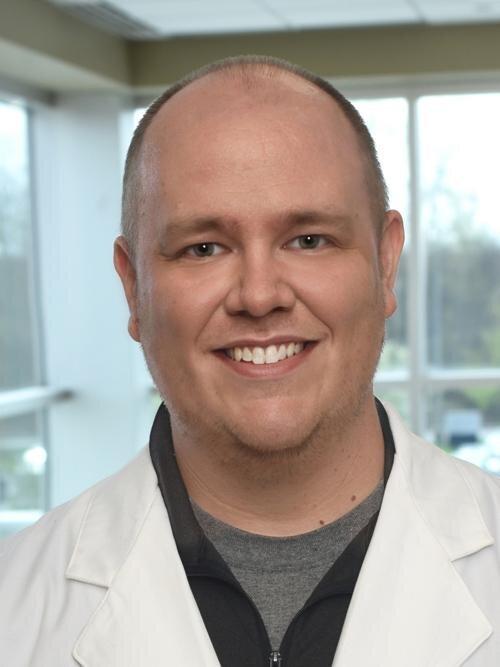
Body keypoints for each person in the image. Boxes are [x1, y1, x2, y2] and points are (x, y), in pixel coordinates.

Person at [1, 55, 500, 667]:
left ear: (385, 263)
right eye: (204, 248)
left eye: (308, 240)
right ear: (133, 289)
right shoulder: (13, 607)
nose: (259, 296)